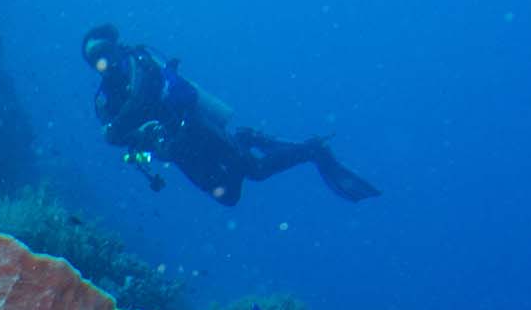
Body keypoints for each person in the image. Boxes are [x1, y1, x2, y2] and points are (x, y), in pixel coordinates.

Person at [81, 23, 380, 206]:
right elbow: (115, 138)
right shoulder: (106, 99)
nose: (103, 62)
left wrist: (117, 130)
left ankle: (312, 150)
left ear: (117, 48)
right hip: (177, 151)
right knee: (228, 198)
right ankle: (245, 138)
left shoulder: (141, 65)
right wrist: (125, 134)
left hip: (196, 129)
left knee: (256, 171)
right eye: (94, 59)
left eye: (105, 52)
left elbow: (136, 105)